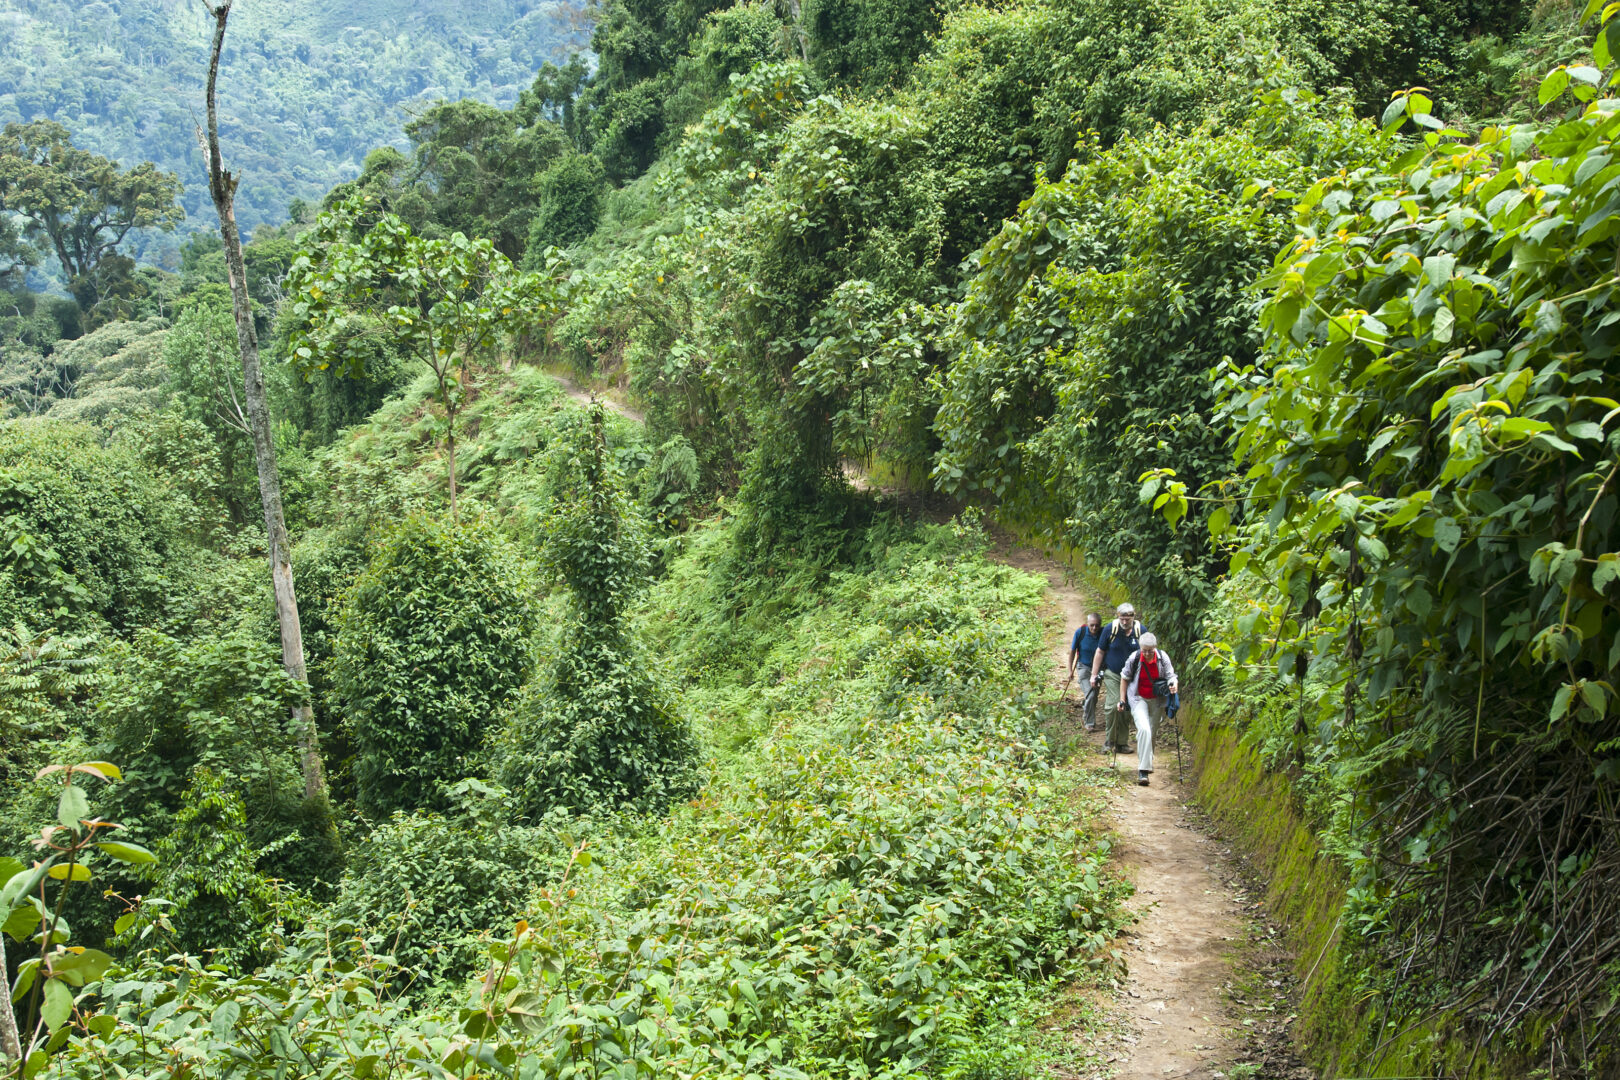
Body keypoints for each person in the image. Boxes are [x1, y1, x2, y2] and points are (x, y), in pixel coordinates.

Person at [1119, 632, 1177, 786]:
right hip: (1138, 698)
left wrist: (1173, 683)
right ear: (1141, 648)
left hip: (1157, 700)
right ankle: (1143, 771)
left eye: (1150, 650)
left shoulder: (1162, 658)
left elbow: (1171, 675)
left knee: (1152, 731)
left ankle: (1147, 760)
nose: (1147, 653)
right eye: (1144, 650)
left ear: (1155, 648)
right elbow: (1124, 679)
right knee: (1144, 729)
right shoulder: (1135, 658)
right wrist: (1122, 700)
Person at [1090, 603, 1146, 755]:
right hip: (1113, 674)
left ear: (1133, 617)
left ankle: (1122, 742)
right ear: (1118, 617)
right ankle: (1110, 741)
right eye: (1122, 618)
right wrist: (1094, 675)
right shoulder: (1110, 629)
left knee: (1127, 708)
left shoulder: (1141, 631)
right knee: (1113, 704)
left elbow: (1147, 654)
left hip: (1133, 676)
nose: (1124, 622)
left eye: (1127, 619)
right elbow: (1100, 651)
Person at [1067, 611, 1103, 731]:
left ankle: (1086, 706)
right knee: (1091, 694)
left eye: (1097, 625)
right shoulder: (1080, 633)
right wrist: (1069, 670)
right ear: (1087, 624)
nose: (1094, 628)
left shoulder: (1103, 634)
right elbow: (1072, 652)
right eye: (1092, 625)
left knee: (1094, 696)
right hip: (1083, 667)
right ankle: (1089, 722)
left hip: (1098, 669)